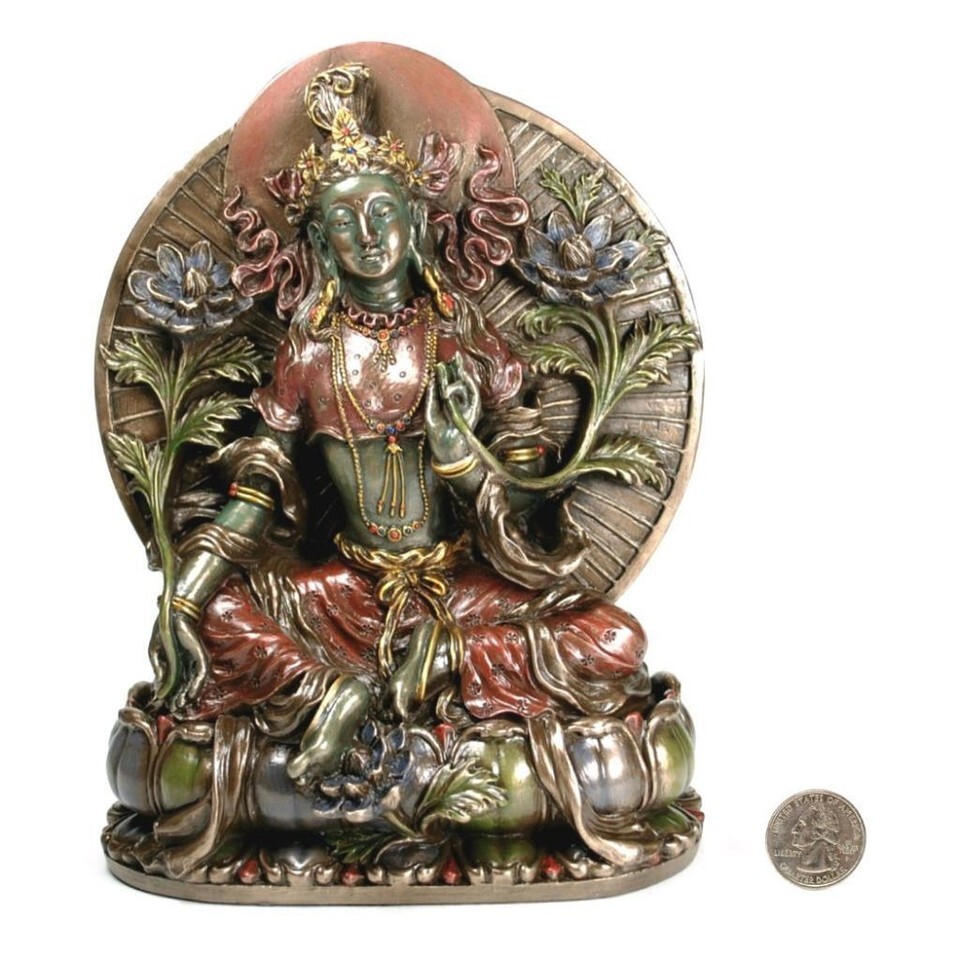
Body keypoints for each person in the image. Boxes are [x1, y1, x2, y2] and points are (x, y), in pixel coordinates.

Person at [164, 63, 650, 788]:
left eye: (382, 213)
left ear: (415, 221)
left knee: (614, 637)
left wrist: (462, 462)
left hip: (457, 588)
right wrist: (185, 590)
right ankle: (332, 693)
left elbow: (526, 504)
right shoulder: (310, 350)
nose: (367, 235)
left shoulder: (464, 339)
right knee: (216, 612)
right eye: (343, 222)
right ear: (319, 242)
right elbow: (257, 489)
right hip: (346, 596)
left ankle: (445, 658)